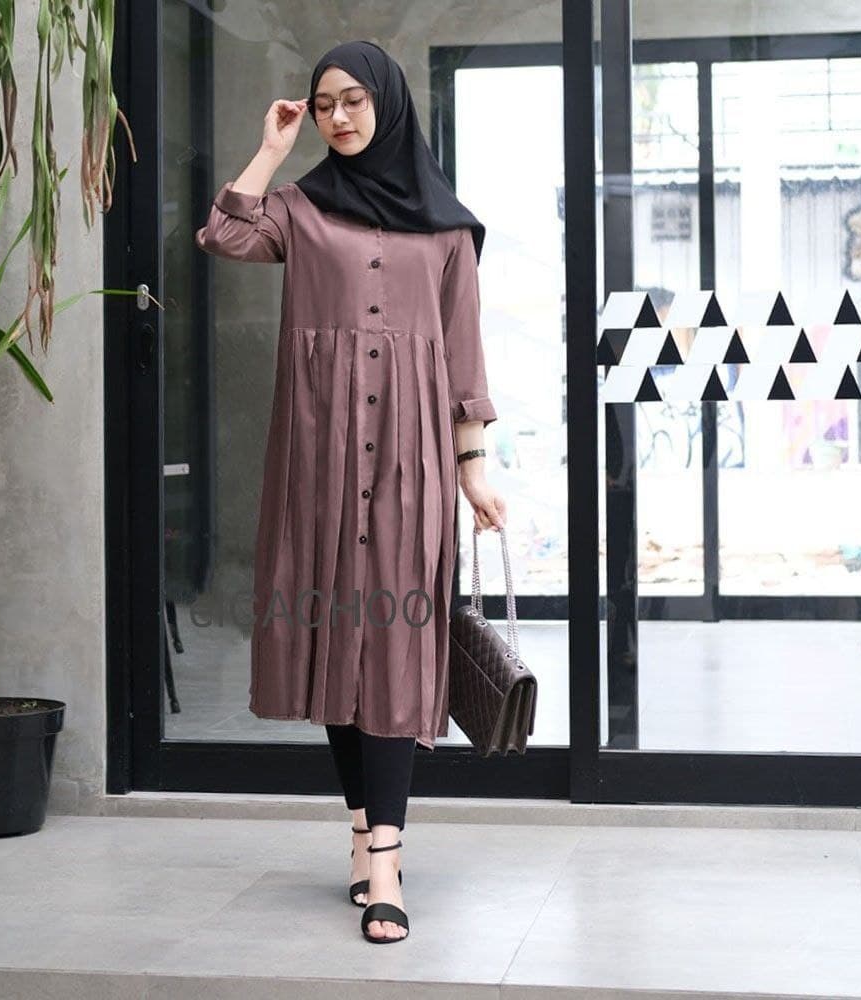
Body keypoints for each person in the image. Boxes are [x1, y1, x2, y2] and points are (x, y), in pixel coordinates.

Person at [195, 39, 507, 944]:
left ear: (388, 104)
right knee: (338, 644)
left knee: (395, 648)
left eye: (353, 101)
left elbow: (463, 354)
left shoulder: (447, 230)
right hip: (320, 459)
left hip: (410, 461)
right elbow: (224, 233)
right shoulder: (300, 209)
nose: (337, 117)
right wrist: (270, 150)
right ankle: (368, 838)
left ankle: (386, 862)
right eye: (324, 103)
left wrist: (474, 468)